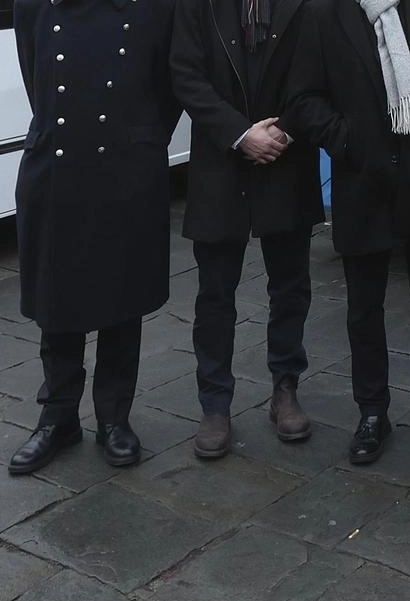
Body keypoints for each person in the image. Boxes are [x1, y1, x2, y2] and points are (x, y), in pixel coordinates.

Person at [285, 0, 410, 464]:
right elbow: (301, 97)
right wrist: (346, 139)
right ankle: (371, 411)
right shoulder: (326, 13)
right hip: (362, 181)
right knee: (364, 308)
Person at [7, 0, 180, 474]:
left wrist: (136, 138)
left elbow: (167, 90)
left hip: (125, 166)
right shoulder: (35, 4)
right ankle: (58, 416)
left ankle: (114, 418)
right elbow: (35, 78)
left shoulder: (155, 7)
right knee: (55, 299)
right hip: (56, 167)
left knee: (121, 298)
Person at [171, 0, 322, 459]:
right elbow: (185, 74)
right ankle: (214, 405)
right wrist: (240, 134)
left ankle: (285, 390)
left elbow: (316, 71)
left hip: (285, 157)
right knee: (215, 295)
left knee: (291, 286)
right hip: (221, 162)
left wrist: (283, 132)